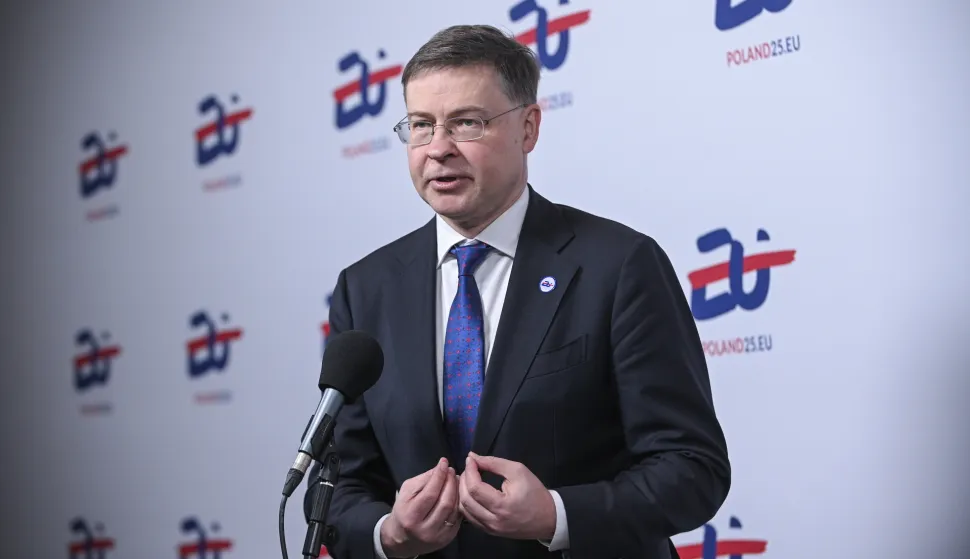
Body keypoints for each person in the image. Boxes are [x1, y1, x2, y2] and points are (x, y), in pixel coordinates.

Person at [314, 24, 730, 559]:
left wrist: (556, 515)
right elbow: (340, 485)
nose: (438, 149)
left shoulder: (620, 265)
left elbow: (692, 467)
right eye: (421, 125)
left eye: (467, 123)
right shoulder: (365, 287)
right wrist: (389, 533)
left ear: (528, 128)